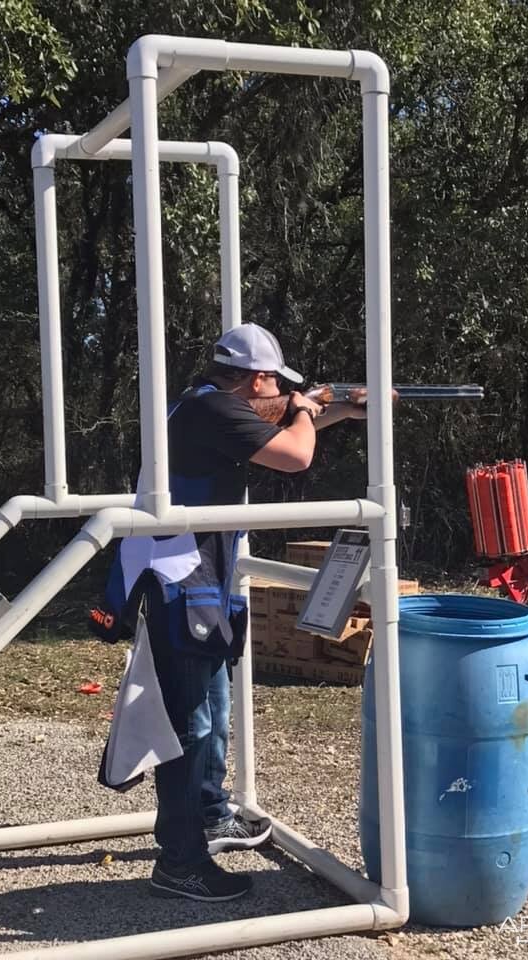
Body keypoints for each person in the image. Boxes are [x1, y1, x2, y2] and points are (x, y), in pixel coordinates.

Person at [95, 323, 365, 902]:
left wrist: (340, 409)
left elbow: (282, 429)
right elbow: (294, 454)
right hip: (179, 585)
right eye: (276, 383)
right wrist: (304, 409)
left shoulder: (208, 407)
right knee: (192, 729)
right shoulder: (210, 413)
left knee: (214, 716)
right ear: (258, 378)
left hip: (202, 583)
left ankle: (212, 814)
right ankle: (180, 862)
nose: (282, 393)